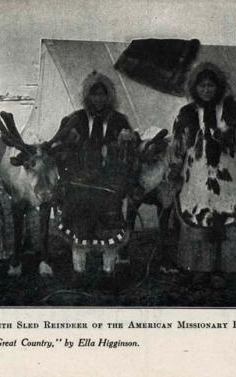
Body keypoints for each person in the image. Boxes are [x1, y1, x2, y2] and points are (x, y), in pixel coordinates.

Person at [168, 62, 236, 287]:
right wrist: (175, 170)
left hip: (226, 175)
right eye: (202, 86)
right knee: (198, 216)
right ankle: (199, 268)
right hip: (196, 175)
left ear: (219, 87)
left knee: (226, 215)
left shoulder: (232, 110)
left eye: (211, 86)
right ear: (194, 88)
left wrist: (227, 136)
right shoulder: (187, 112)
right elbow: (178, 145)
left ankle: (226, 269)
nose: (206, 90)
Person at [52, 71, 139, 278]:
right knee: (80, 227)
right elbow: (59, 146)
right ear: (87, 96)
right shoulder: (76, 118)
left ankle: (108, 272)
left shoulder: (119, 120)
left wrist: (128, 140)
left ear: (109, 96)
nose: (99, 99)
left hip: (109, 185)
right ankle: (79, 271)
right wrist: (67, 147)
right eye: (94, 95)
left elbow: (131, 154)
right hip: (80, 183)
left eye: (103, 95)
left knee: (109, 228)